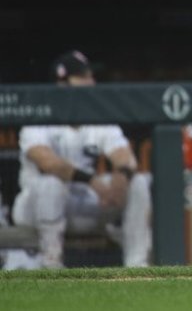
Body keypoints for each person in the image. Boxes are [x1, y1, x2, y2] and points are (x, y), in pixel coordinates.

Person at [11, 50, 152, 268]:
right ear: (62, 83)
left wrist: (122, 176)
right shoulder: (39, 118)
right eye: (83, 77)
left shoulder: (96, 117)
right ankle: (51, 264)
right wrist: (92, 181)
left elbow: (124, 155)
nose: (91, 82)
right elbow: (48, 163)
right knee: (50, 184)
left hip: (82, 204)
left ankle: (137, 266)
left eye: (91, 76)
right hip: (34, 207)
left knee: (138, 182)